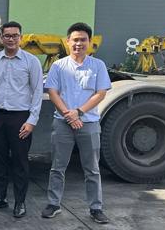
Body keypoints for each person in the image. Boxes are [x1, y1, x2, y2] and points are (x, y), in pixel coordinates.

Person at [42, 22, 111, 224]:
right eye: (75, 40)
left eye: (83, 40)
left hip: (88, 123)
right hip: (62, 123)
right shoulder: (58, 66)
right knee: (57, 167)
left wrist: (79, 112)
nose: (78, 44)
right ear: (67, 42)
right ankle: (53, 204)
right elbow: (52, 92)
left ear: (89, 42)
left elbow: (101, 93)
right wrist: (68, 114)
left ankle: (96, 208)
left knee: (92, 169)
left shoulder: (98, 66)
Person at [0, 21, 43, 218]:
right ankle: (0, 198)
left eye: (14, 35)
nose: (11, 39)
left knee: (20, 162)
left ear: (21, 38)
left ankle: (20, 202)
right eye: (7, 35)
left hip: (20, 118)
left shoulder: (31, 62)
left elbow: (37, 92)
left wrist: (32, 120)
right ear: (1, 38)